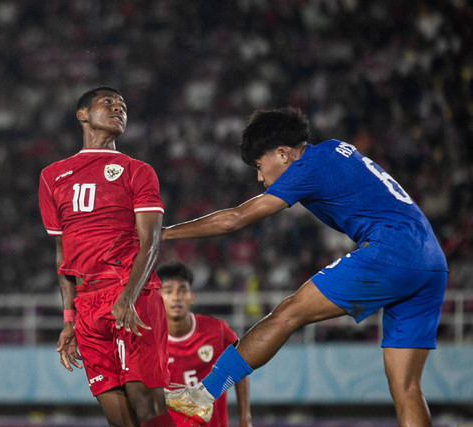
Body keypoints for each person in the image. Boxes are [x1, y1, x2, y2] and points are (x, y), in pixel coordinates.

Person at [163, 107, 448, 427]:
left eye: (259, 166)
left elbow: (236, 219)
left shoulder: (307, 166)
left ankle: (203, 395)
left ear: (283, 153)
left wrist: (164, 233)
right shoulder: (334, 149)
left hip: (393, 251)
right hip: (431, 261)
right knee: (407, 388)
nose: (260, 177)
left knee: (287, 313)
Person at [38, 87, 175, 426]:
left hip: (131, 293)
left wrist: (128, 296)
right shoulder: (52, 176)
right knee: (120, 420)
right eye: (108, 103)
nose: (118, 109)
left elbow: (152, 241)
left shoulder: (137, 171)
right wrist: (69, 318)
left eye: (123, 105)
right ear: (82, 114)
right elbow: (62, 252)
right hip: (86, 305)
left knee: (147, 406)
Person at [157, 261, 252, 427]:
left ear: (191, 297)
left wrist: (245, 417)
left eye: (182, 290)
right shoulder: (150, 339)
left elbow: (241, 365)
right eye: (169, 291)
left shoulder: (216, 330)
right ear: (158, 297)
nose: (176, 297)